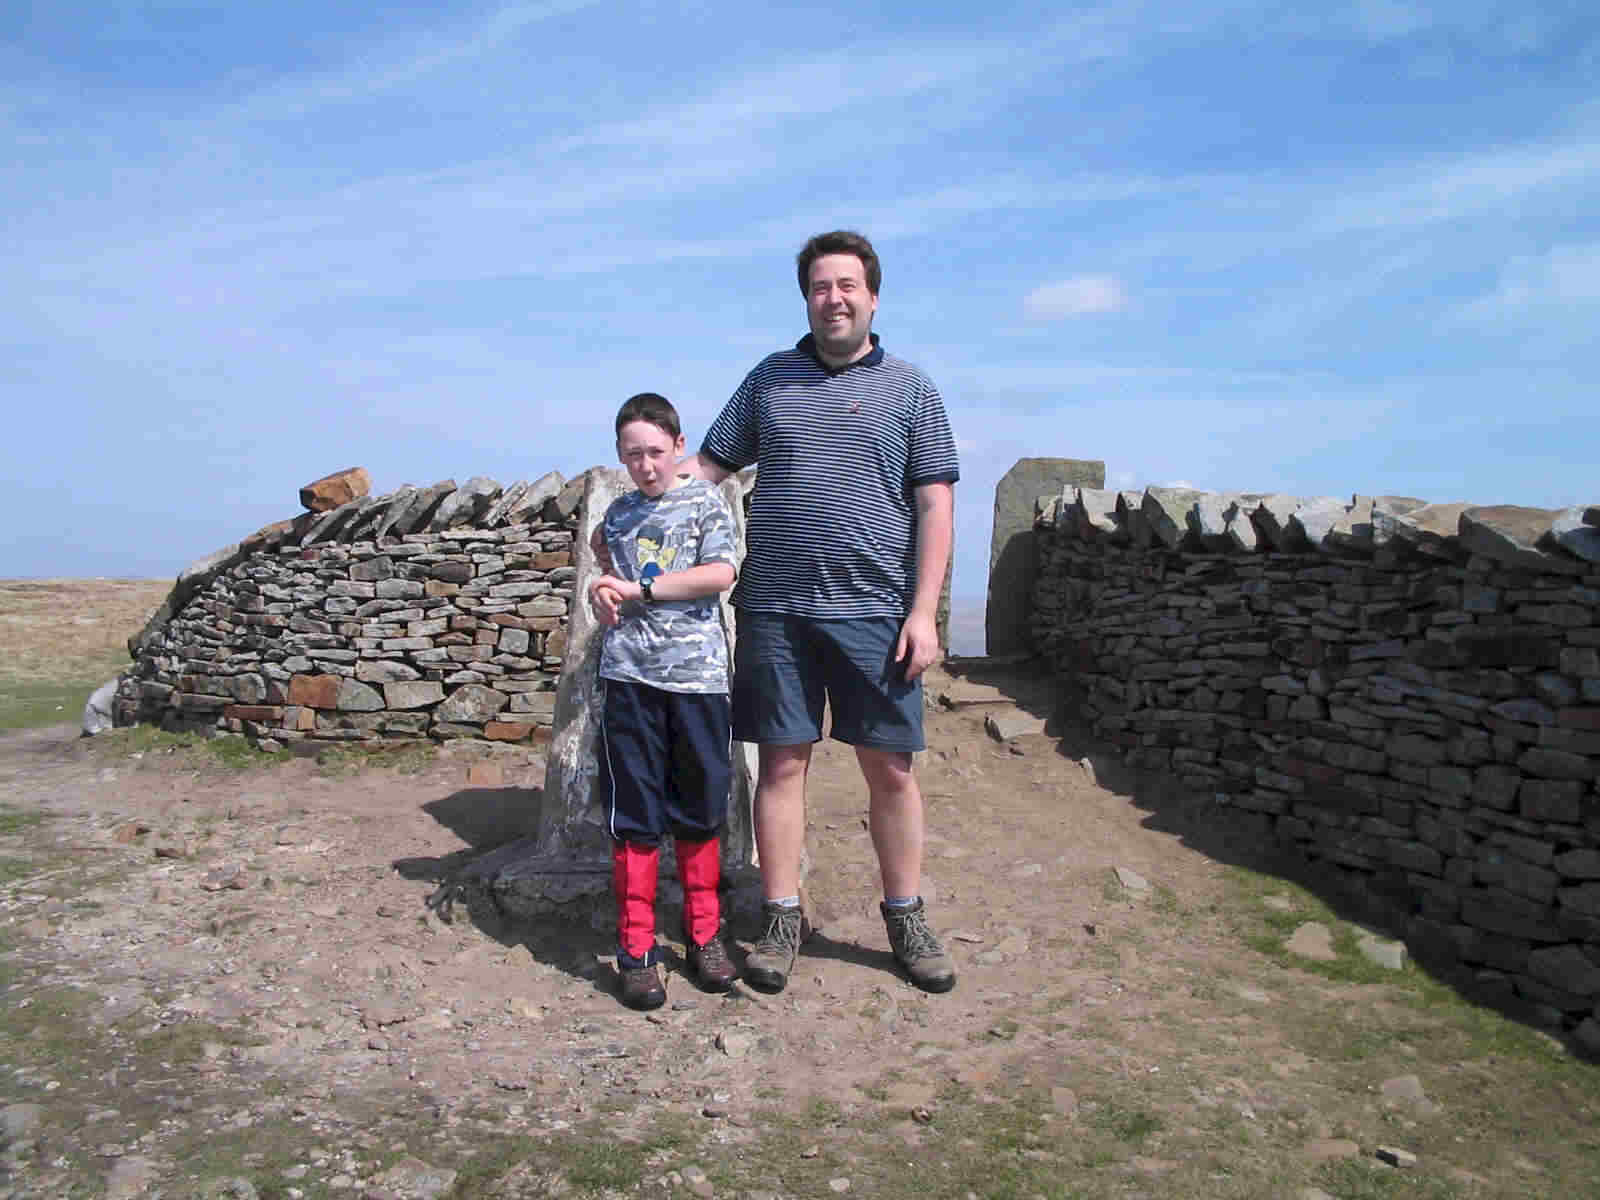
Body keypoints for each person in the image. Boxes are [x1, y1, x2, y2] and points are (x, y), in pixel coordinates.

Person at [684, 230, 960, 995]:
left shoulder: (912, 389)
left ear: (873, 296)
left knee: (892, 771)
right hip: (775, 609)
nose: (832, 298)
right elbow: (710, 467)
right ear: (805, 297)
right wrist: (644, 487)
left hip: (876, 611)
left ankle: (905, 915)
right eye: (819, 287)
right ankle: (780, 917)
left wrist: (924, 612)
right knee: (780, 763)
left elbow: (935, 502)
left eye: (846, 285)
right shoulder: (769, 380)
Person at [587, 392, 740, 1010]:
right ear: (620, 457)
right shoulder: (618, 517)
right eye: (633, 454)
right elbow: (604, 567)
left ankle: (704, 936)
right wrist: (604, 591)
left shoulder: (707, 501)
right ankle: (636, 950)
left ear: (679, 447)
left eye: (655, 451)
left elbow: (720, 573)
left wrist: (641, 587)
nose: (646, 465)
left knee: (702, 804)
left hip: (699, 680)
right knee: (635, 814)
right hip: (629, 679)